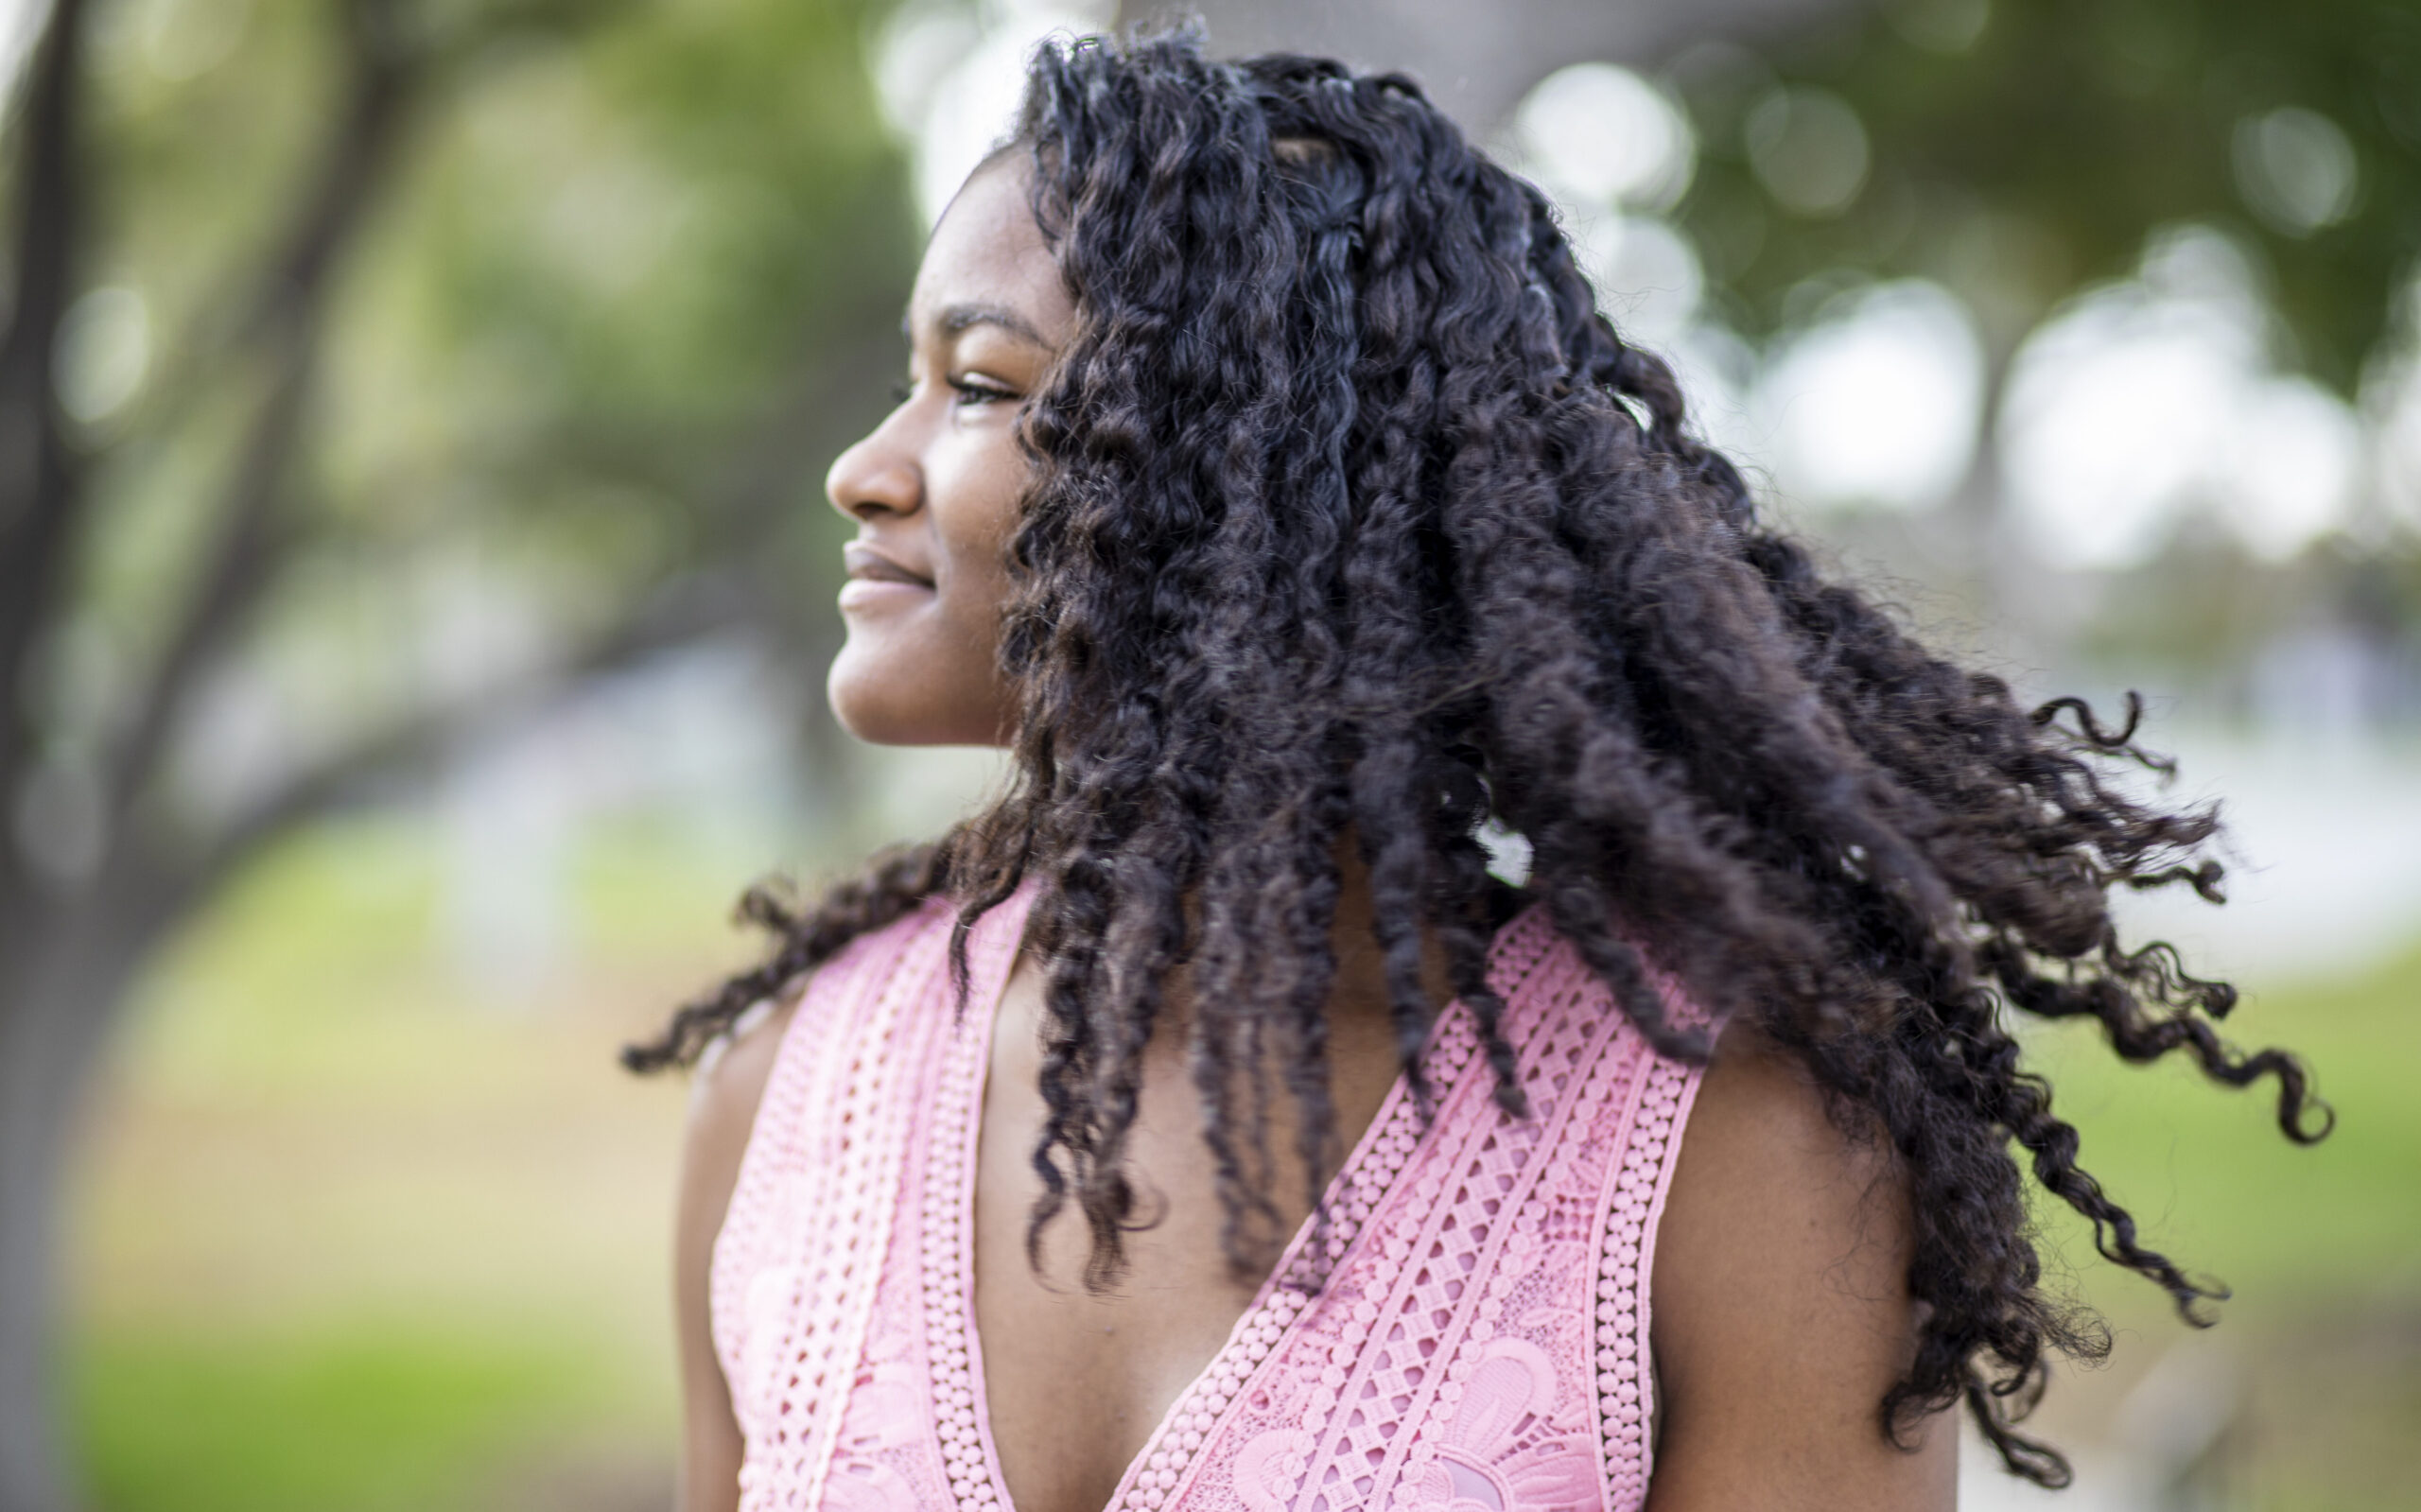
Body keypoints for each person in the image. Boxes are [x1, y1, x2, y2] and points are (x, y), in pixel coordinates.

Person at [626, 31, 2325, 1512]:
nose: (865, 469)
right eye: (905, 386)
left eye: (980, 387)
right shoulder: (781, 1097)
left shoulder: (1736, 1157)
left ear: (1256, 484)